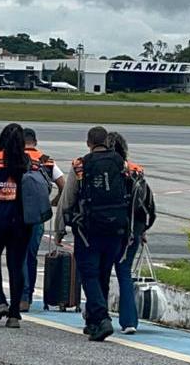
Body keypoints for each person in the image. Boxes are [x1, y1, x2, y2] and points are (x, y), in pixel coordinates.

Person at [54, 126, 133, 342]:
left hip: (89, 230)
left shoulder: (80, 165)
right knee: (103, 275)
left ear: (89, 143)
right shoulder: (121, 163)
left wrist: (59, 229)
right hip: (116, 228)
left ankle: (102, 318)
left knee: (89, 274)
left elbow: (67, 199)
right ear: (107, 142)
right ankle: (93, 321)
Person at [0, 123, 37, 328]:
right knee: (16, 264)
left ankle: (0, 299)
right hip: (22, 221)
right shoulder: (29, 162)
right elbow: (44, 185)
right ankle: (14, 313)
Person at [106, 131, 156, 334]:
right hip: (133, 230)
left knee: (100, 271)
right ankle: (129, 322)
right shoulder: (136, 172)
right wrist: (142, 229)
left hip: (107, 228)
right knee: (124, 272)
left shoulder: (103, 170)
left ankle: (98, 315)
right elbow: (148, 205)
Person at [20, 128, 65, 311]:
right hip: (38, 214)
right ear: (35, 142)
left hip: (19, 212)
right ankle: (28, 296)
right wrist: (53, 201)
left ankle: (21, 295)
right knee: (31, 255)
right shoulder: (46, 160)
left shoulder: (16, 158)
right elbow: (63, 184)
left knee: (19, 254)